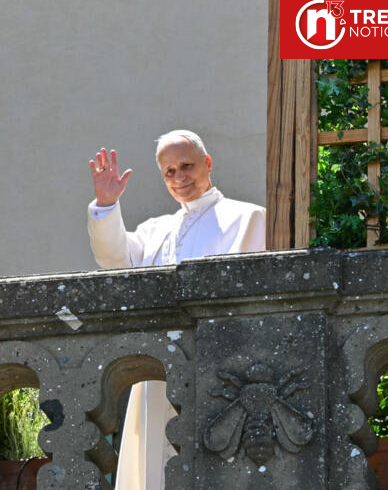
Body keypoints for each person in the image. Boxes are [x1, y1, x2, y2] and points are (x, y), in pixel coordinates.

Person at [86, 130, 265, 490]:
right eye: (169, 171)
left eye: (187, 166)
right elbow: (116, 259)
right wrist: (106, 206)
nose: (179, 177)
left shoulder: (250, 218)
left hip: (221, 366)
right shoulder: (157, 231)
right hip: (159, 372)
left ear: (207, 164)